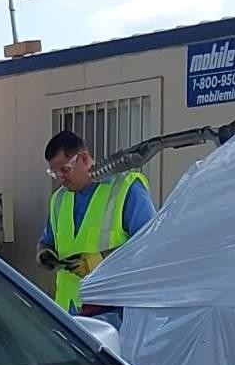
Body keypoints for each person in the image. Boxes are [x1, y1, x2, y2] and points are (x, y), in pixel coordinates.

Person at [37, 128, 152, 312]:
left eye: (64, 170)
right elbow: (47, 241)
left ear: (83, 158)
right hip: (68, 314)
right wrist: (43, 252)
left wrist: (98, 260)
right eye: (54, 173)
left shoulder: (126, 190)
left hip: (113, 315)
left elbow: (149, 247)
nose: (61, 179)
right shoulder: (59, 200)